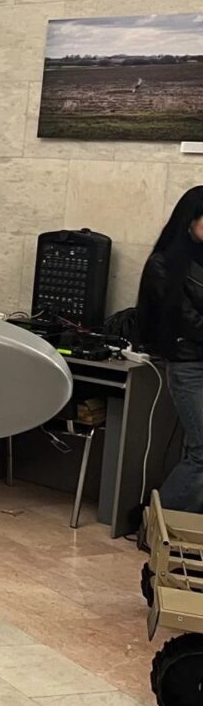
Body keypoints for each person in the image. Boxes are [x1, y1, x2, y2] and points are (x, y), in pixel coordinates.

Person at [138, 187, 203, 513]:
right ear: (190, 221)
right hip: (189, 365)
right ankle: (157, 526)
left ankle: (184, 527)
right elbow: (185, 321)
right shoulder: (163, 264)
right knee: (201, 453)